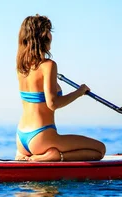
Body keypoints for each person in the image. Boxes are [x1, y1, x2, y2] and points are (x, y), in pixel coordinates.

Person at [15, 14, 106, 162]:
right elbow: (53, 103)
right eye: (49, 31)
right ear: (43, 36)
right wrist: (79, 92)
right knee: (100, 149)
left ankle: (34, 156)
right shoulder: (48, 65)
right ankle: (53, 156)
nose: (51, 35)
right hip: (41, 136)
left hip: (21, 137)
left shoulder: (22, 67)